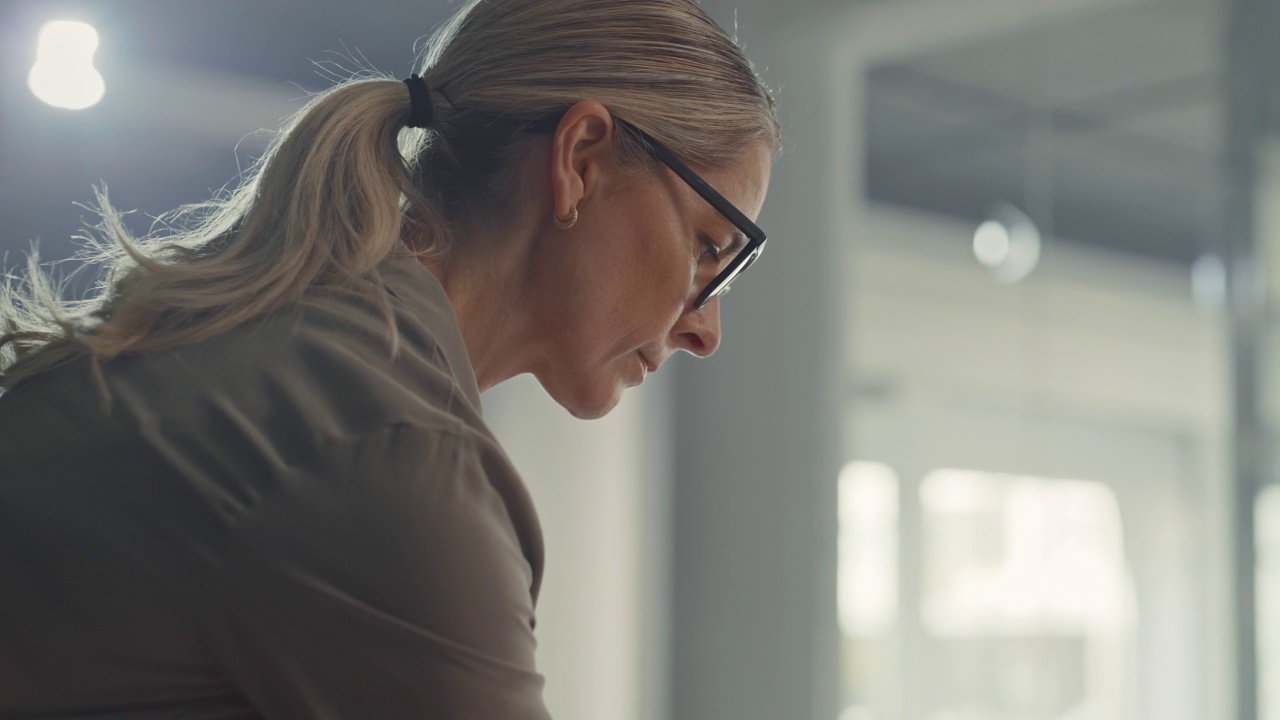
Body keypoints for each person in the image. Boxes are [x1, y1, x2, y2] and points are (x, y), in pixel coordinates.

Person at [0, 0, 778, 717]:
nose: (704, 330)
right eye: (710, 247)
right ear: (579, 160)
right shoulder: (383, 451)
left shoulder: (277, 350)